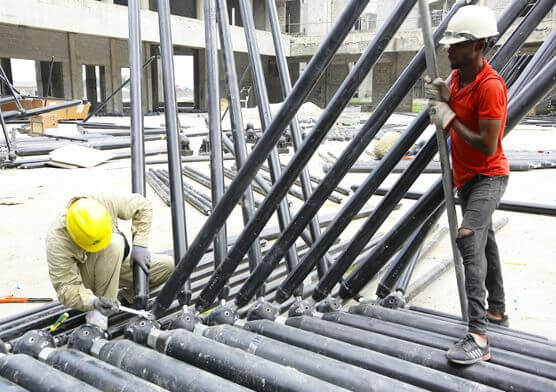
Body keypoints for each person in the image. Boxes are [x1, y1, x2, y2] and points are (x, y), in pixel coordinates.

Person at [427, 5, 510, 365]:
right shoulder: (460, 79)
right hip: (467, 178)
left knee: (468, 238)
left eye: (455, 46)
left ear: (477, 45)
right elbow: (456, 103)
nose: (448, 50)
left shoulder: (491, 87)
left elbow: (487, 144)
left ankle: (478, 335)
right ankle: (497, 311)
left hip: (489, 176)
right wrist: (447, 97)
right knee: (484, 241)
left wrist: (449, 119)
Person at [46, 194, 174, 317]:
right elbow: (65, 288)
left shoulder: (102, 202)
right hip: (87, 281)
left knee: (168, 267)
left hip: (113, 262)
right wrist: (92, 302)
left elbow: (143, 205)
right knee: (114, 245)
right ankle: (100, 314)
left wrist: (139, 244)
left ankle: (124, 298)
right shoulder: (57, 240)